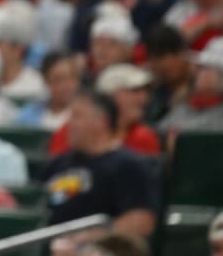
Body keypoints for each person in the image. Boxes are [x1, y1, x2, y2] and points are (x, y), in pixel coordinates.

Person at [43, 92, 158, 240]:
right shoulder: (57, 163)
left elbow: (141, 222)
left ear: (101, 122)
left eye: (77, 116)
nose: (69, 124)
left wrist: (88, 238)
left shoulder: (128, 166)